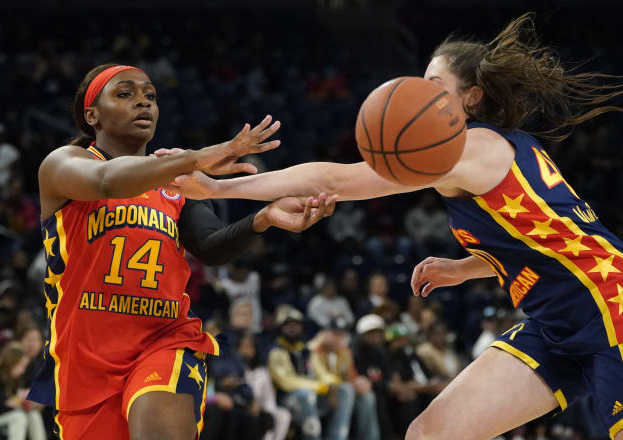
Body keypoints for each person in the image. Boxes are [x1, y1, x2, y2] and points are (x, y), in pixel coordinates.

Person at [168, 13, 623, 439]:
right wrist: (465, 268)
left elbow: (334, 179)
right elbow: (542, 242)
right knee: (427, 433)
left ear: (471, 97)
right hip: (555, 326)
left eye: (434, 85)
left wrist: (216, 189)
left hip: (610, 308)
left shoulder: (467, 150)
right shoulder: (485, 153)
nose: (421, 95)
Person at [26, 63, 337, 440]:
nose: (143, 102)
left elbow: (210, 246)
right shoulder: (64, 164)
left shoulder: (176, 183)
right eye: (125, 94)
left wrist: (264, 218)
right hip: (85, 356)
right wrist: (197, 157)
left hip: (164, 338)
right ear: (93, 115)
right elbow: (107, 182)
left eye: (150, 96)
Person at [267, 305, 353, 440]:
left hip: (312, 394)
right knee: (305, 395)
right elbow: (286, 382)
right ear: (281, 328)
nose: (292, 328)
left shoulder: (307, 351)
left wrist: (332, 383)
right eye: (288, 325)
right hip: (286, 399)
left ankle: (337, 437)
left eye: (296, 325)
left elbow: (321, 372)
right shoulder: (276, 351)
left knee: (345, 389)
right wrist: (318, 387)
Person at [0, 341, 47, 440]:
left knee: (33, 415)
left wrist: (23, 401)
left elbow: (12, 403)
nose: (23, 370)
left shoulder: (14, 380)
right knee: (19, 417)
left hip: (4, 415)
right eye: (21, 366)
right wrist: (9, 404)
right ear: (11, 363)